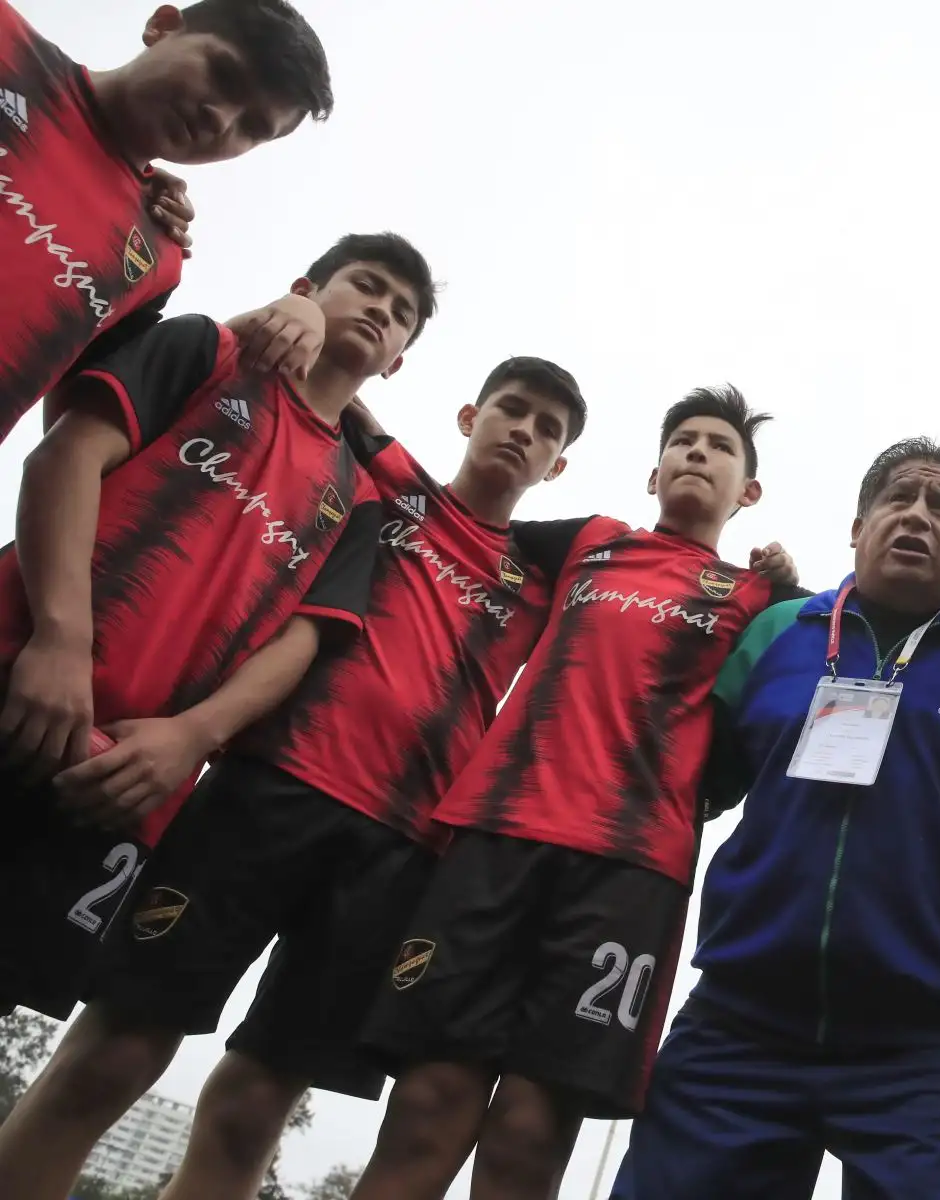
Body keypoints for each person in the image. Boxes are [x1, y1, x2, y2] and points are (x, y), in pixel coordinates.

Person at [10, 357, 590, 1200]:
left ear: (558, 465)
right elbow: (317, 373)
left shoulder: (551, 572)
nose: (524, 431)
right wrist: (297, 311)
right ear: (471, 416)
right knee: (114, 1054)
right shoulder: (389, 483)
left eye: (548, 430)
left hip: (400, 851)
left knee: (255, 1105)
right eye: (512, 409)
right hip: (266, 791)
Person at [0, 232, 433, 1200]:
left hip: (124, 779)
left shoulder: (362, 496)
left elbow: (307, 642)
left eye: (402, 312)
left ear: (401, 358)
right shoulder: (210, 352)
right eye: (367, 285)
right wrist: (59, 640)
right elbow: (65, 453)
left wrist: (190, 741)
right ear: (304, 290)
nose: (382, 309)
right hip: (20, 679)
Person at [347, 386, 804, 1200]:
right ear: (654, 471)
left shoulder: (767, 605)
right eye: (684, 441)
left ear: (749, 493)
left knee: (530, 1129)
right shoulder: (591, 542)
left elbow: (837, 658)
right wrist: (345, 395)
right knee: (429, 1101)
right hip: (495, 839)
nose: (698, 453)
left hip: (630, 875)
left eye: (720, 448)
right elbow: (456, 518)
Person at [611, 437, 940, 1200]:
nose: (916, 517)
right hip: (737, 1031)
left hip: (927, 1053)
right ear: (857, 529)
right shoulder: (777, 632)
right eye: (898, 499)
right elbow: (681, 796)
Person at [0, 0, 333, 443]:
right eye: (224, 75)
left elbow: (84, 419)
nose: (222, 118)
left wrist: (300, 312)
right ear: (161, 25)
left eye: (253, 126)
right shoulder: (9, 48)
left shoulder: (157, 256)